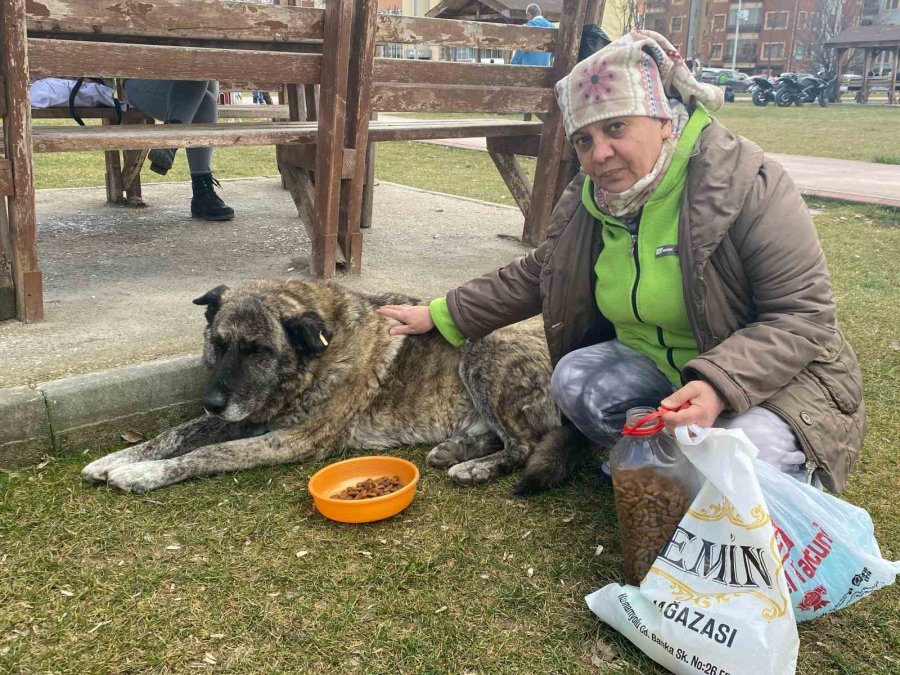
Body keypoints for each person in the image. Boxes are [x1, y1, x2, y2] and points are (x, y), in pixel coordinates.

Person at [377, 30, 866, 495]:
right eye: (584, 140)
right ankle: (671, 456)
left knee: (746, 454)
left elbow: (802, 316)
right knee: (574, 380)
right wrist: (440, 314)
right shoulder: (592, 200)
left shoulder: (748, 184)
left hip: (770, 382)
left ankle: (784, 476)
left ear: (663, 120)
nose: (600, 154)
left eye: (615, 128)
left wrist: (718, 384)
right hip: (667, 374)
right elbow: (538, 272)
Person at [124, 79, 234, 221]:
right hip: (141, 85)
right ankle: (171, 139)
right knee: (196, 75)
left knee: (205, 97)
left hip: (194, 90)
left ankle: (202, 191)